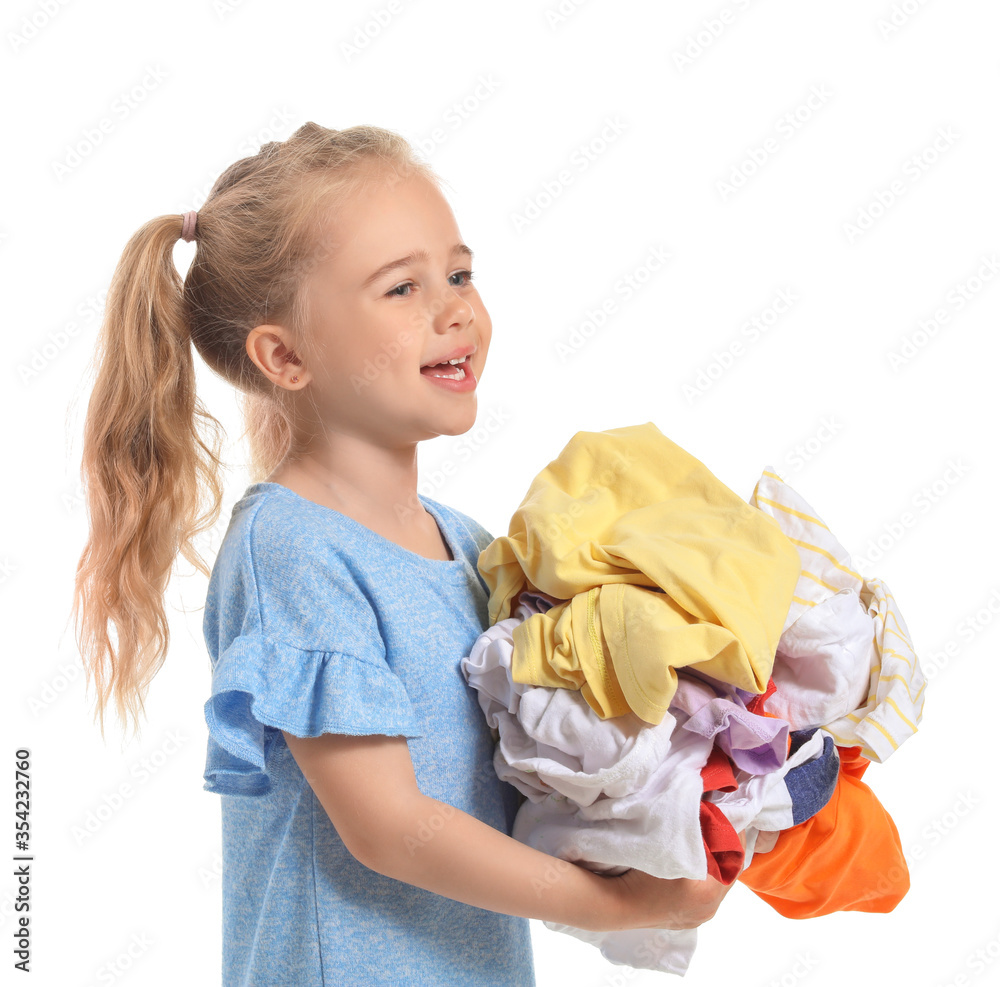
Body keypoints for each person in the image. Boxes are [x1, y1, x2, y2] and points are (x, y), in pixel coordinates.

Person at [71, 122, 739, 986]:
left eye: (459, 274)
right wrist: (611, 905)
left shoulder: (468, 547)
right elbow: (387, 826)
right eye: (402, 289)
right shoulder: (292, 548)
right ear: (285, 354)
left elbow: (523, 784)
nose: (454, 307)